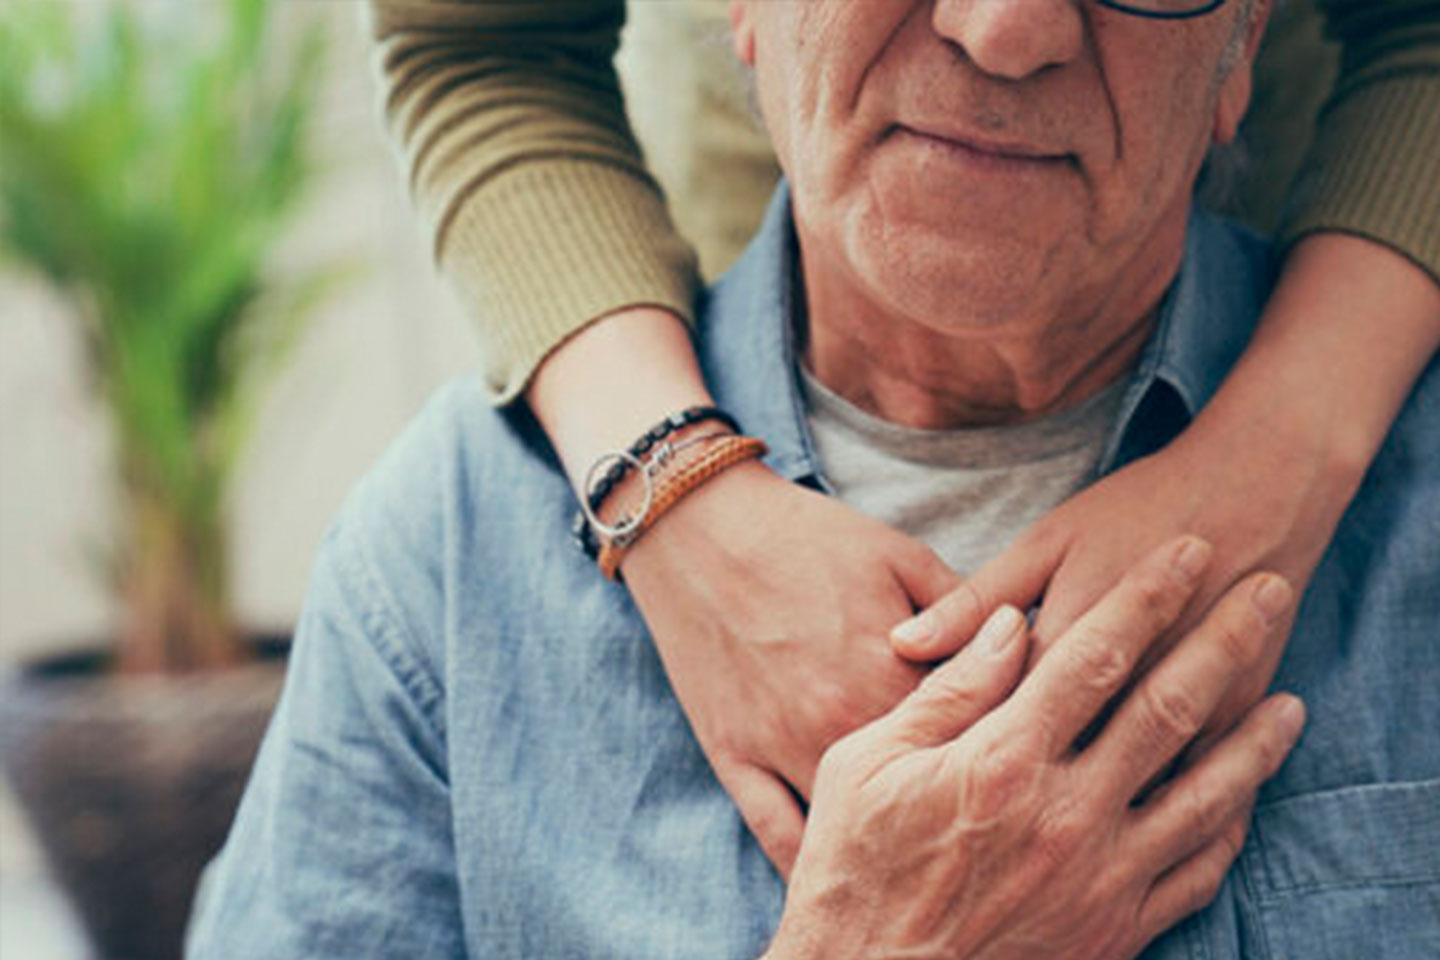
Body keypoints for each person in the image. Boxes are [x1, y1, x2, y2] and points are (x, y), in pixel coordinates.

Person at [189, 1, 1440, 956]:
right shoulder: (449, 564)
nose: (1005, 30)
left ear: (1249, 44)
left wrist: (1290, 444)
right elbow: (469, 41)